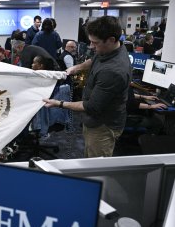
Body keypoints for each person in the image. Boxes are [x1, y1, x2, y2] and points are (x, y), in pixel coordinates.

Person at [43, 16, 132, 158]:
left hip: (102, 126)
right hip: (94, 121)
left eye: (95, 43)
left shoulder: (113, 72)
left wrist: (59, 103)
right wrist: (76, 68)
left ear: (111, 40)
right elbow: (95, 59)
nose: (91, 46)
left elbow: (91, 106)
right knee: (89, 157)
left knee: (96, 168)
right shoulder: (113, 49)